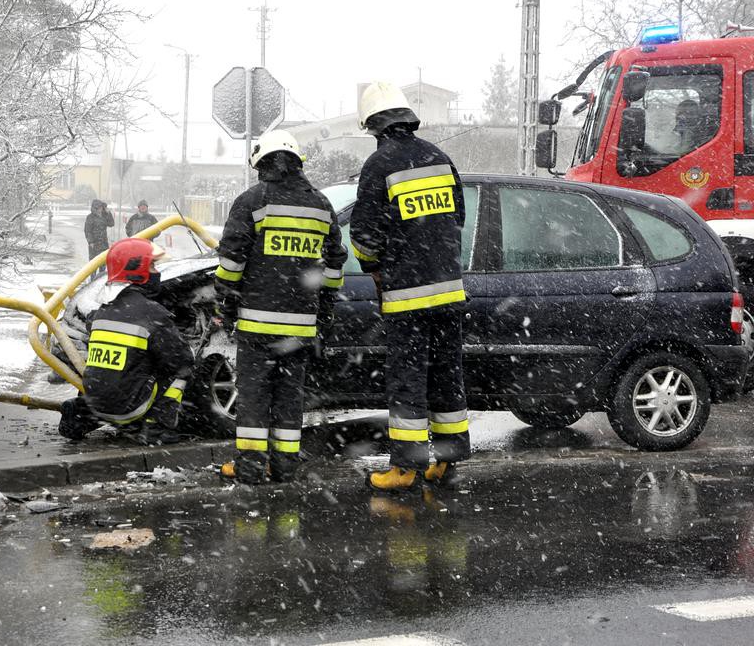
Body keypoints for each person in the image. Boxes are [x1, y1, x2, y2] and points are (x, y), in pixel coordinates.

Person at [351, 81, 470, 492]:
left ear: (375, 126)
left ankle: (404, 468)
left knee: (408, 380)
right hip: (450, 291)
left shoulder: (380, 165)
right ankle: (446, 462)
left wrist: (377, 269)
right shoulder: (440, 157)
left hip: (407, 296)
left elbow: (364, 235)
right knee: (446, 376)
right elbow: (458, 218)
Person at [213, 129, 347, 484]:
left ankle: (252, 466)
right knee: (290, 397)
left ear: (263, 164)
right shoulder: (320, 205)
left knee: (255, 396)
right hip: (300, 328)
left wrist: (225, 301)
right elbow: (335, 263)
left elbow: (231, 264)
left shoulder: (253, 201)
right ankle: (285, 465)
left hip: (257, 326)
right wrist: (326, 307)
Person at [58, 237, 193, 445]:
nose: (157, 272)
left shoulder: (102, 311)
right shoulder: (152, 313)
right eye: (153, 266)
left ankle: (81, 414)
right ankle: (157, 426)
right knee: (182, 370)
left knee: (114, 376)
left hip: (98, 404)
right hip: (130, 409)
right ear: (137, 270)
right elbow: (179, 359)